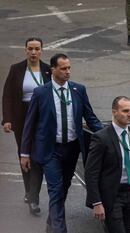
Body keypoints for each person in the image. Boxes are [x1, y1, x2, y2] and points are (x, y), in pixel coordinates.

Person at [20, 53, 103, 233]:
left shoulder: (78, 90)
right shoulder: (41, 93)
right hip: (50, 151)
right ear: (53, 71)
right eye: (63, 68)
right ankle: (59, 230)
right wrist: (24, 153)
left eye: (69, 68)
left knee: (63, 189)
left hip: (72, 149)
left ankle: (52, 225)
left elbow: (90, 117)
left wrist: (111, 135)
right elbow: (29, 123)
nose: (68, 72)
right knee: (56, 190)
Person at [85, 96, 130, 233]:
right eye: (125, 111)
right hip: (112, 196)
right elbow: (91, 172)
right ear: (114, 112)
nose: (129, 114)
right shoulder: (101, 138)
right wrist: (96, 202)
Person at [2, 37, 51, 215]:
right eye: (30, 49)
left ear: (41, 51)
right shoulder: (16, 69)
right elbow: (7, 95)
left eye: (37, 49)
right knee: (24, 153)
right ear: (25, 50)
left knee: (37, 156)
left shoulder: (47, 70)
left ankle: (33, 195)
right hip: (22, 116)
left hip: (42, 116)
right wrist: (7, 119)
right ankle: (28, 190)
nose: (33, 52)